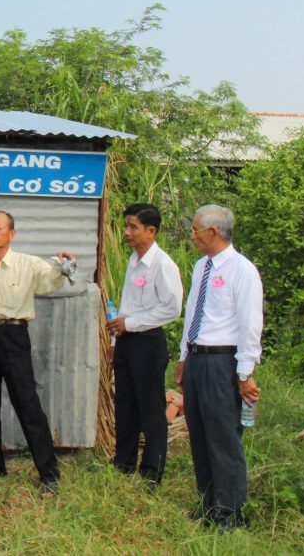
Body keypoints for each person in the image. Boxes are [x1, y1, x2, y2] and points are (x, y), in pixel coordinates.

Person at [0, 210, 74, 497]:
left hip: (14, 336)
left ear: (11, 234)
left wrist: (62, 264)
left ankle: (49, 474)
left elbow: (50, 281)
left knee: (27, 403)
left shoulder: (27, 263)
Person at [174, 205, 263, 531]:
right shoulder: (202, 266)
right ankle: (208, 504)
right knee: (199, 434)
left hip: (222, 362)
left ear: (213, 232)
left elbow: (250, 324)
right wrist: (184, 356)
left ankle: (230, 513)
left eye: (195, 230)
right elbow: (192, 313)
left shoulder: (242, 270)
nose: (192, 236)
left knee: (223, 438)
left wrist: (244, 372)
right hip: (197, 359)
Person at [106, 204, 183, 488]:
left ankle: (152, 470)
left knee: (150, 407)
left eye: (133, 227)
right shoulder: (133, 260)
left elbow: (172, 308)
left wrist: (132, 324)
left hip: (148, 341)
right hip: (127, 340)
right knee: (125, 402)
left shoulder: (162, 264)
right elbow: (127, 304)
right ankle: (123, 462)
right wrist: (117, 340)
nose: (127, 232)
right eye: (126, 226)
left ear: (151, 231)